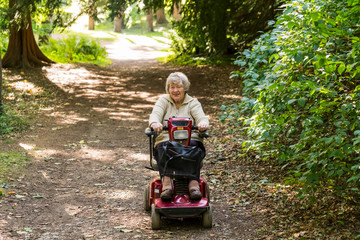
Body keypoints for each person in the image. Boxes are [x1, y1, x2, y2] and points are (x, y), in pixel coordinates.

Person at [149, 72, 209, 201]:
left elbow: (201, 117)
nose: (175, 90)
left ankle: (193, 184)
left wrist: (203, 124)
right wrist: (155, 123)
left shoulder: (192, 102)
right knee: (165, 147)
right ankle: (167, 183)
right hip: (167, 138)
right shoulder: (163, 101)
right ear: (168, 88)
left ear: (185, 87)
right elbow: (155, 114)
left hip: (190, 139)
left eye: (179, 87)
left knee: (194, 147)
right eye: (172, 87)